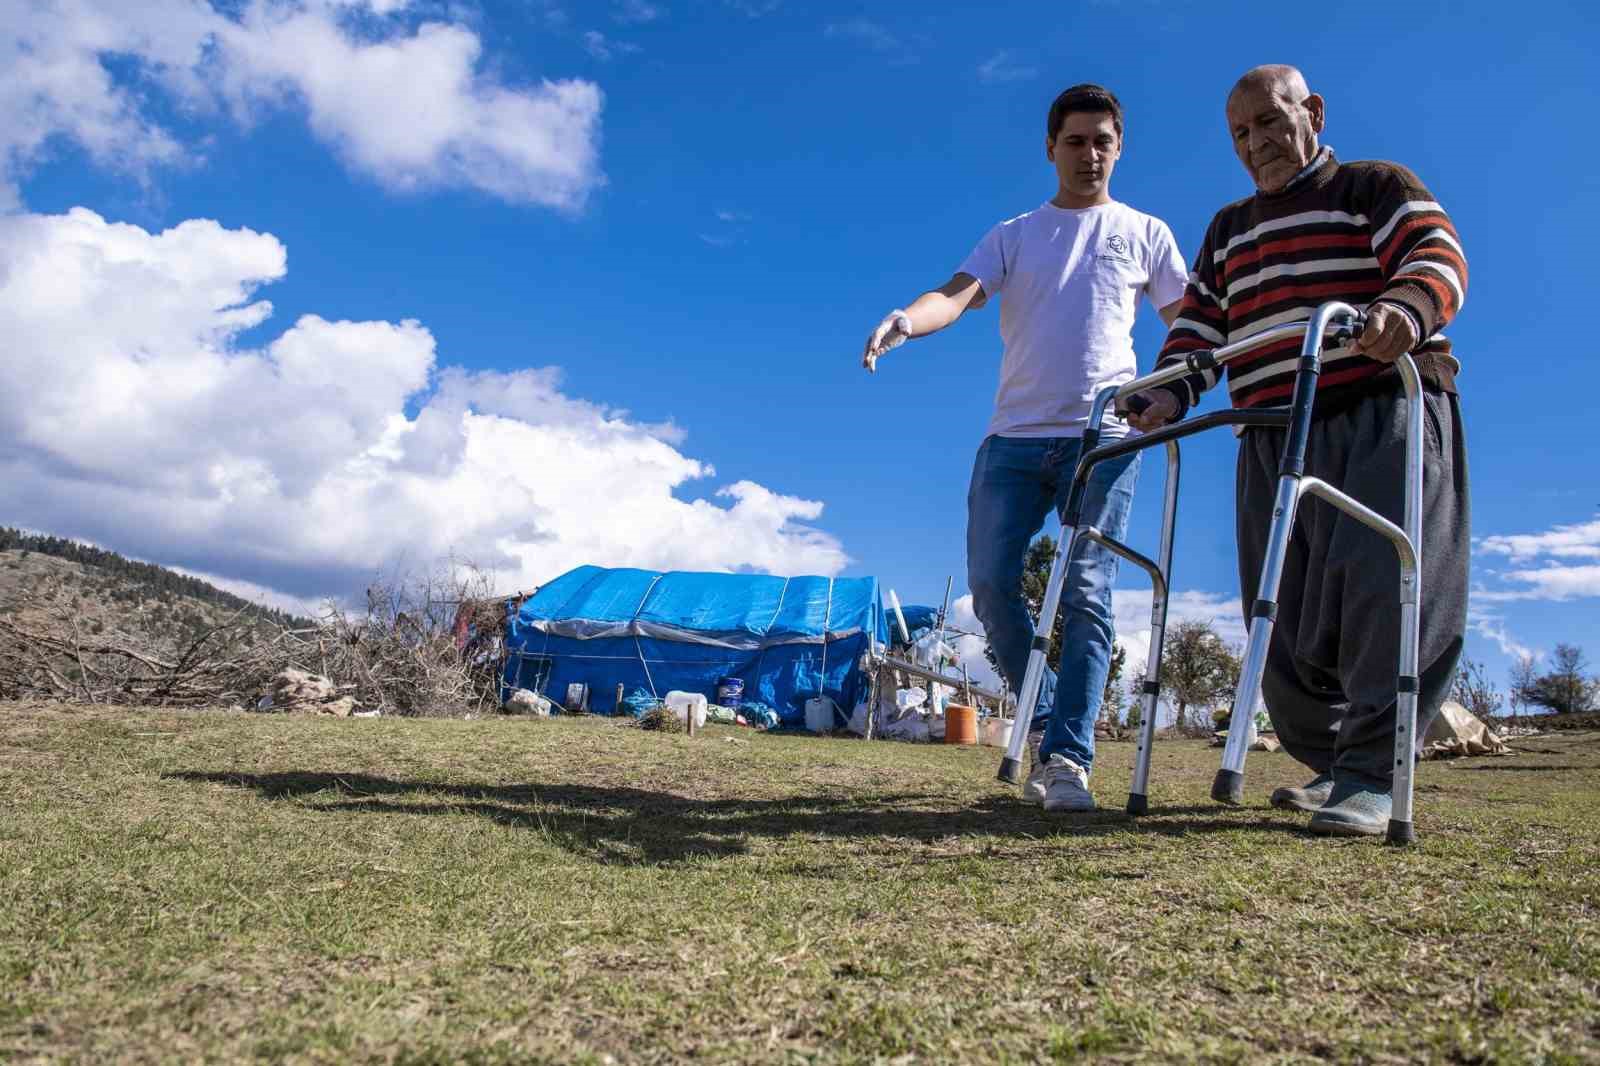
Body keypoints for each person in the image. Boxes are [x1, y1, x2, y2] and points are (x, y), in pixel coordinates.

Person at [1127, 64, 1469, 836]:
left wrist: (1405, 309)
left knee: (1382, 582)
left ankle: (1375, 775)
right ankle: (1330, 762)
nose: (1257, 144)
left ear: (1311, 111)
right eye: (1240, 135)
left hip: (1377, 406)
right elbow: (1200, 333)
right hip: (1275, 429)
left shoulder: (1371, 186)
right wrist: (1166, 391)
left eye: (1270, 123)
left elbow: (1437, 256)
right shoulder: (1228, 229)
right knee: (1279, 610)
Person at [863, 84, 1186, 811]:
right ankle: (1042, 725)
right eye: (1075, 141)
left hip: (1103, 435)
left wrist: (1169, 389)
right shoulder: (1015, 234)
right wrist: (905, 322)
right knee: (991, 584)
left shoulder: (1145, 232)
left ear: (1119, 147)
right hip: (1012, 437)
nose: (1089, 154)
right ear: (1051, 149)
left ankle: (1069, 759)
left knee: (1086, 587)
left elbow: (1188, 323)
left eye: (1103, 140)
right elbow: (956, 293)